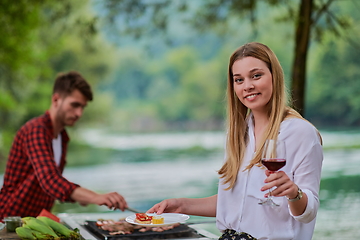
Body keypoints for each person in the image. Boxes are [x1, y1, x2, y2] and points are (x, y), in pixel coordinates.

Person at [147, 42, 323, 240]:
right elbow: (233, 203)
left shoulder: (301, 132)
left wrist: (294, 193)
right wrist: (180, 205)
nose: (247, 86)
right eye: (239, 80)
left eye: (256, 75)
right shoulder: (238, 133)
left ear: (275, 76)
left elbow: (309, 213)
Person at [0, 71, 128, 219]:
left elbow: (52, 188)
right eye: (74, 105)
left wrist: (83, 197)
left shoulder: (62, 137)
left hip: (34, 222)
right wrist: (96, 197)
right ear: (56, 100)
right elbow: (50, 181)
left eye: (82, 107)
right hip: (8, 221)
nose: (79, 113)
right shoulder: (36, 130)